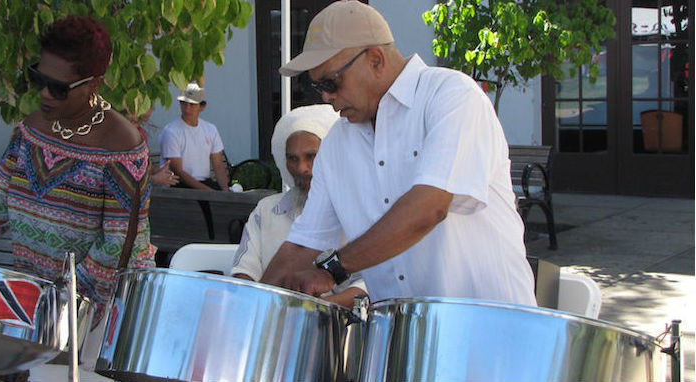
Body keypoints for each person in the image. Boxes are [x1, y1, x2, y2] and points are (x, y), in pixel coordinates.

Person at [261, 0, 537, 307]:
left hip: (492, 331)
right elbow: (302, 245)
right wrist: (244, 311)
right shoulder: (337, 142)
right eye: (317, 87)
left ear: (376, 60)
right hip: (404, 341)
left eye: (331, 82)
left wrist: (333, 269)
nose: (327, 97)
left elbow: (428, 207)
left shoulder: (452, 97)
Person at [0, 16, 156, 318]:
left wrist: (55, 303)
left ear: (94, 84)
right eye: (39, 80)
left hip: (96, 319)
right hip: (36, 307)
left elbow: (116, 249)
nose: (45, 94)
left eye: (59, 88)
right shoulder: (29, 133)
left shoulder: (121, 147)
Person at [230, 105, 366, 308]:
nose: (301, 167)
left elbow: (368, 287)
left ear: (332, 157)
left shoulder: (358, 213)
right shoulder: (265, 211)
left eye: (311, 156)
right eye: (292, 158)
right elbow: (243, 274)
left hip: (336, 328)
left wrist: (317, 308)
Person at [156, 82, 229, 191]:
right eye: (183, 103)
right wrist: (208, 191)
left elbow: (218, 165)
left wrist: (225, 193)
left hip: (204, 183)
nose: (187, 109)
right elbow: (178, 172)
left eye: (192, 104)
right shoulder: (171, 131)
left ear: (202, 106)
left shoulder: (210, 129)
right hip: (178, 185)